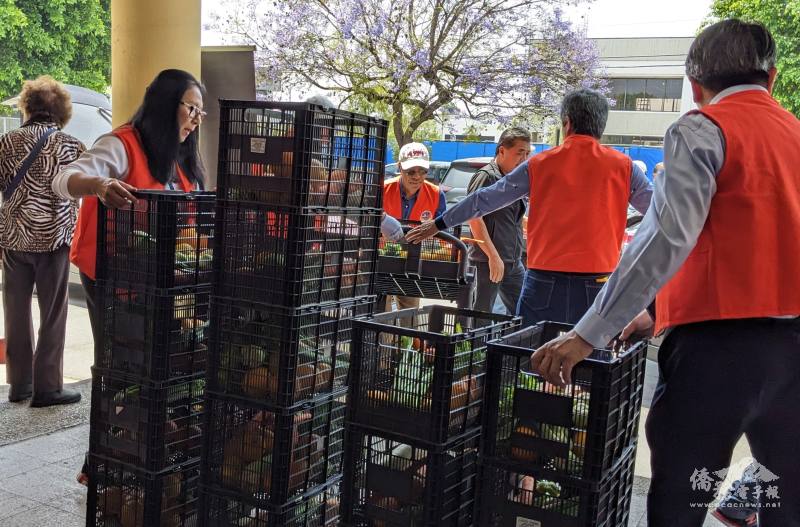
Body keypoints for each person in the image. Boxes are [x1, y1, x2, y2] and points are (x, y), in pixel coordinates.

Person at [530, 20, 800, 526]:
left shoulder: (702, 129)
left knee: (681, 495)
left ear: (695, 86)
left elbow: (665, 238)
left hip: (718, 352)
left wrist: (587, 335)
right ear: (774, 78)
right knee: (786, 497)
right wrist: (652, 310)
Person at [51, 68, 207, 485]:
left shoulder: (183, 159)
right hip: (114, 277)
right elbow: (64, 179)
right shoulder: (122, 145)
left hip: (161, 282)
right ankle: (100, 462)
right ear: (165, 104)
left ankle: (148, 454)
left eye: (200, 113)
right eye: (191, 108)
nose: (195, 119)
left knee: (161, 366)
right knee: (121, 367)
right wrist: (100, 184)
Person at [407, 90, 652, 328]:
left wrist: (437, 224)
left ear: (567, 123)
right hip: (599, 279)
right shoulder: (625, 167)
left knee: (529, 354)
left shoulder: (540, 165)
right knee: (592, 358)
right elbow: (661, 212)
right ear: (602, 125)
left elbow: (483, 200)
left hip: (545, 279)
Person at [0, 76, 85, 406]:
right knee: (53, 313)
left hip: (14, 240)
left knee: (15, 311)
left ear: (28, 106)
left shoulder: (6, 142)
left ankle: (20, 385)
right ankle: (48, 387)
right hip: (54, 240)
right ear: (62, 110)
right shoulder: (71, 145)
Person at [464, 127, 531, 314]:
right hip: (488, 261)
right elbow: (474, 218)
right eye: (519, 153)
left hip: (513, 261)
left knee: (524, 312)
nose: (524, 159)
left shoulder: (512, 180)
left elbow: (510, 217)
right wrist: (493, 256)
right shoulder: (486, 176)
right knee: (481, 316)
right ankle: (475, 345)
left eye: (527, 153)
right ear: (502, 150)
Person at [383, 142, 446, 312]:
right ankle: (382, 340)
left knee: (410, 315)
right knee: (381, 313)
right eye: (411, 171)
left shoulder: (436, 194)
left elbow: (441, 232)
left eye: (422, 171)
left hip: (414, 263)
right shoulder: (382, 190)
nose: (417, 176)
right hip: (382, 262)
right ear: (399, 168)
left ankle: (409, 339)